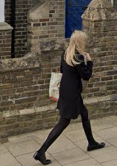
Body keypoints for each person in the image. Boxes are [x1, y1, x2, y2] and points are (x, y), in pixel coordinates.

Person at [33, 31, 105, 165]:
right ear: (80, 42)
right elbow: (86, 75)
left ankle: (91, 142)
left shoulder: (66, 53)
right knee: (63, 122)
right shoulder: (77, 57)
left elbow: (61, 70)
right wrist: (89, 62)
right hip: (72, 94)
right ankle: (41, 151)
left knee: (84, 113)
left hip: (66, 91)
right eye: (84, 40)